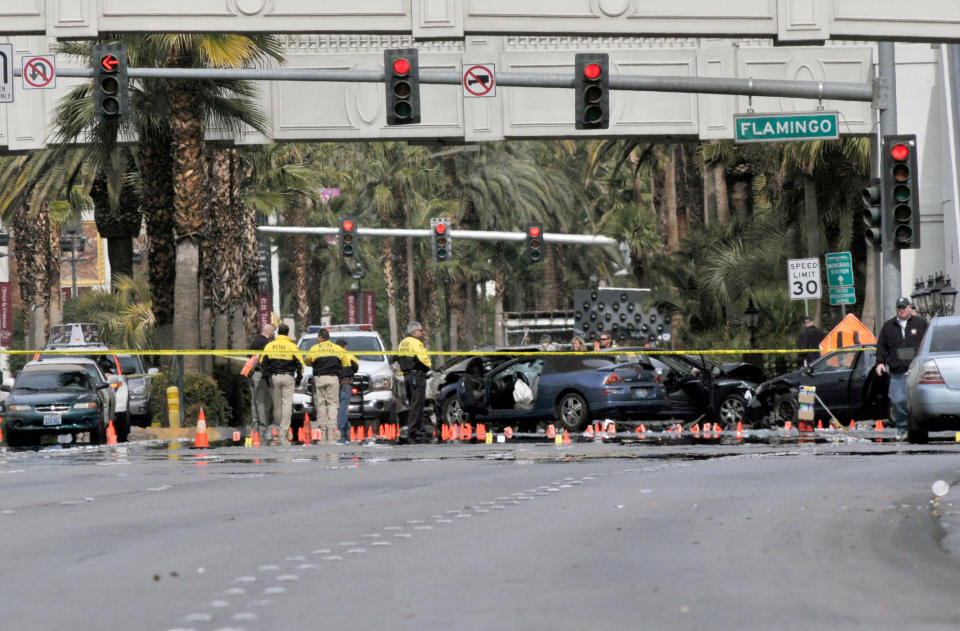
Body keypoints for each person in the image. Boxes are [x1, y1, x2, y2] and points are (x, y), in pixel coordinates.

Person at [875, 297, 928, 436]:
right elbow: (881, 346)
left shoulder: (921, 324)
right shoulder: (888, 326)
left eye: (904, 307)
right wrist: (880, 363)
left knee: (918, 401)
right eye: (899, 307)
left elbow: (929, 343)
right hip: (897, 370)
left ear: (910, 307)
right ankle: (902, 427)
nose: (902, 310)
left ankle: (917, 427)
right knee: (898, 400)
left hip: (916, 370)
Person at [259, 323, 305, 446]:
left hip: (275, 377)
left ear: (278, 333)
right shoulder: (292, 346)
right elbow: (300, 364)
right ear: (287, 333)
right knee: (287, 405)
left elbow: (263, 362)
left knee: (277, 406)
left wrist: (266, 376)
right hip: (288, 377)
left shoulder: (270, 345)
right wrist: (299, 378)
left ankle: (279, 430)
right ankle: (283, 433)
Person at [305, 328, 349, 444]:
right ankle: (332, 430)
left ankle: (323, 431)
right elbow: (346, 362)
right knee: (333, 404)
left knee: (321, 404)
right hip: (333, 379)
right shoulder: (337, 349)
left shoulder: (314, 348)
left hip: (319, 379)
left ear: (320, 337)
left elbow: (307, 361)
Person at [397, 321, 432, 443]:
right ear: (414, 332)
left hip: (407, 376)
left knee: (412, 403)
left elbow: (398, 358)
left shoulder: (402, 343)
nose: (422, 333)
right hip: (417, 375)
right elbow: (423, 360)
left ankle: (415, 428)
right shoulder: (416, 343)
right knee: (417, 403)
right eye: (421, 331)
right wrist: (428, 368)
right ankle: (413, 431)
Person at [245, 324, 274, 442]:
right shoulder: (265, 343)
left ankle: (255, 424)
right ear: (270, 332)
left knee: (254, 401)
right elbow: (257, 357)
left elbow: (249, 356)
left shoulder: (256, 341)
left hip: (252, 374)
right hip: (259, 374)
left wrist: (249, 371)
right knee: (262, 401)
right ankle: (263, 426)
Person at [335, 340, 360, 444]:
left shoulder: (333, 354)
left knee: (340, 409)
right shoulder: (348, 355)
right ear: (345, 347)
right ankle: (341, 435)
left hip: (335, 384)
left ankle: (346, 434)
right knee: (343, 409)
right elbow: (356, 367)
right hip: (346, 383)